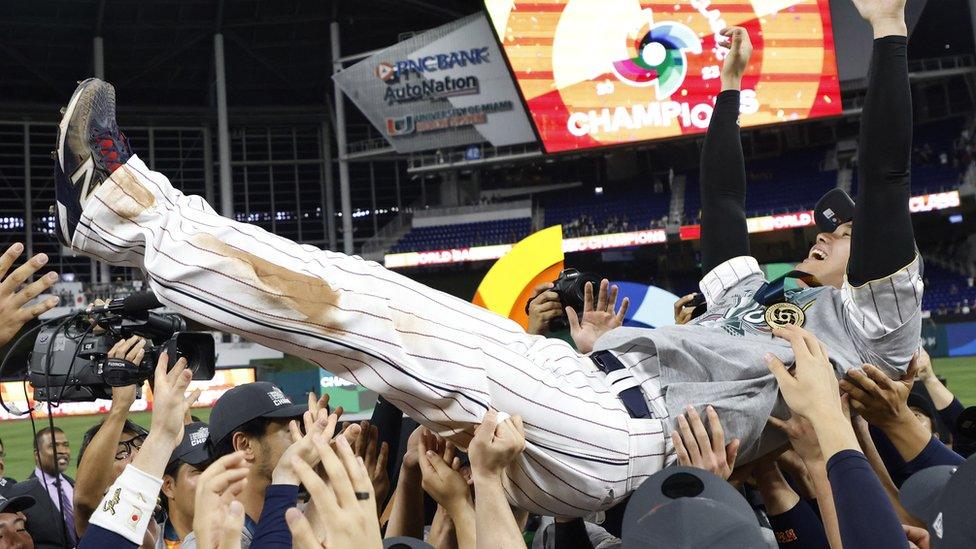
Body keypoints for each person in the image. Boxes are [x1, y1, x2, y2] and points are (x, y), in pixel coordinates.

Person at [50, 0, 919, 518]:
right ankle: (126, 219)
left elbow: (883, 177)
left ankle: (126, 210)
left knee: (371, 311)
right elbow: (724, 211)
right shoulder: (762, 297)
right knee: (362, 327)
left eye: (837, 233)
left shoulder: (873, 326)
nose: (822, 234)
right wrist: (727, 92)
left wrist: (884, 28)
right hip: (586, 402)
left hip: (621, 431)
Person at [73, 336, 151, 535]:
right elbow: (84, 499)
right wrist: (120, 407)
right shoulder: (101, 519)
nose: (136, 455)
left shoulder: (165, 501)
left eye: (139, 445)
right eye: (121, 453)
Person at [8, 427, 74, 549]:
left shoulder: (75, 485)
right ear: (37, 455)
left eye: (65, 445)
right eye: (54, 446)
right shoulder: (21, 493)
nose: (62, 451)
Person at [159, 422, 211, 549]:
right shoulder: (145, 543)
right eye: (201, 470)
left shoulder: (251, 536)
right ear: (168, 486)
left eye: (220, 465)